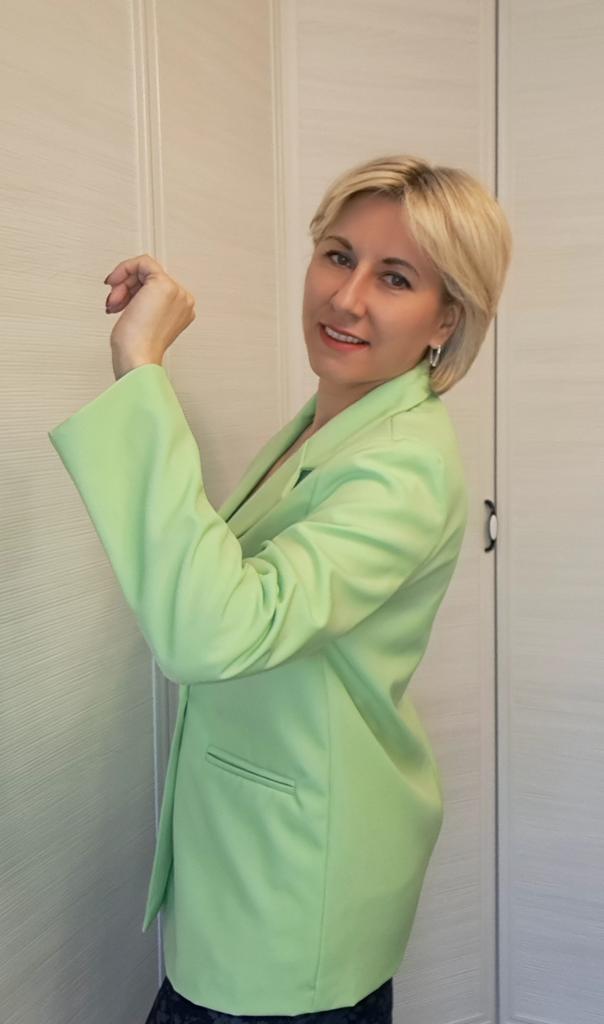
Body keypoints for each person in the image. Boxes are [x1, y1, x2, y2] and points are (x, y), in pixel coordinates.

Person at [48, 154, 512, 1023]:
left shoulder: (402, 470)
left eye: (396, 277)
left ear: (447, 317)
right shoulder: (337, 420)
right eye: (338, 256)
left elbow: (214, 631)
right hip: (260, 863)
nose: (347, 297)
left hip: (292, 895)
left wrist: (141, 366)